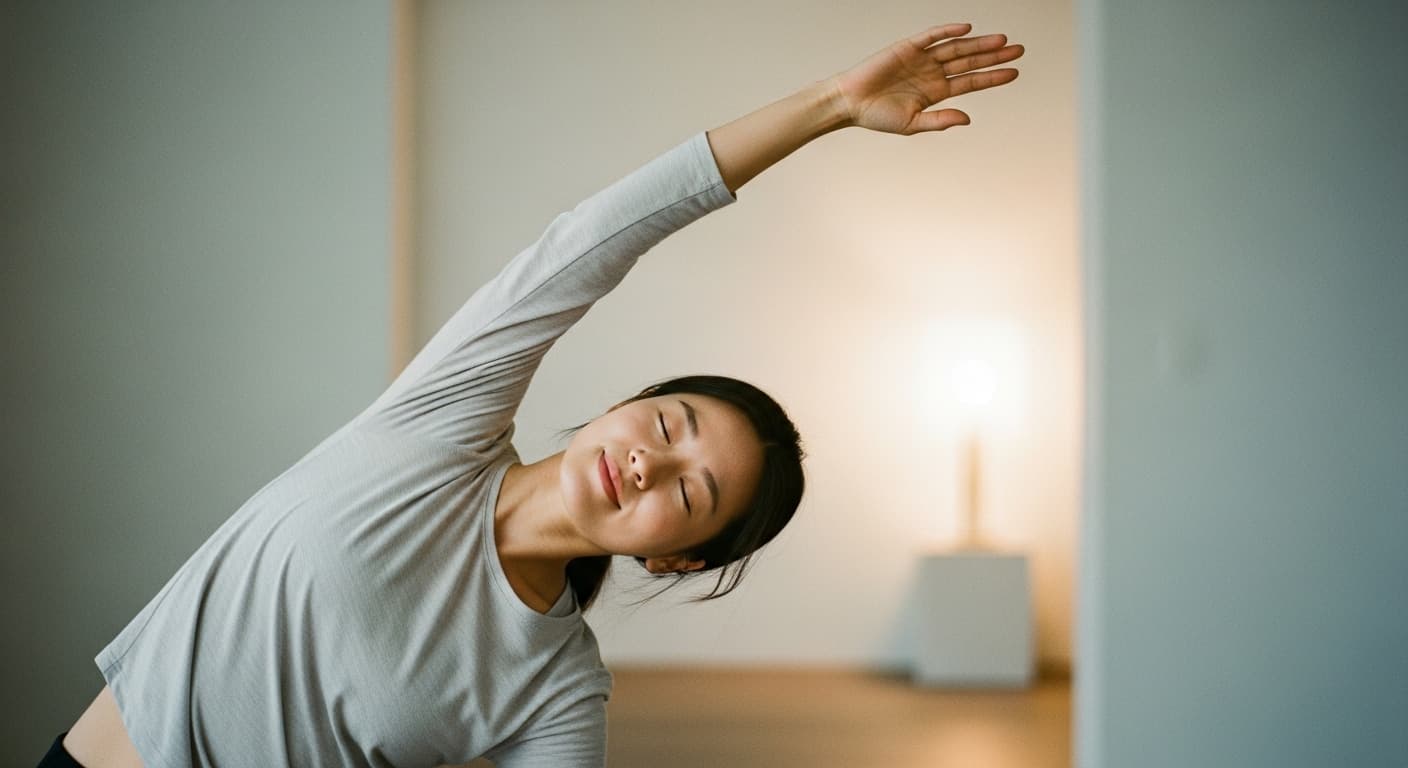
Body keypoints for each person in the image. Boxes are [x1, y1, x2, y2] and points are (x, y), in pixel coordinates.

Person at [44, 22, 1024, 768]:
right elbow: (600, 234)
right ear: (627, 404)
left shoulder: (555, 693)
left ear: (676, 558)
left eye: (685, 493)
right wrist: (828, 107)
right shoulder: (440, 428)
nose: (650, 462)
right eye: (670, 425)